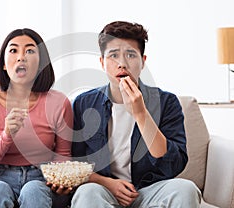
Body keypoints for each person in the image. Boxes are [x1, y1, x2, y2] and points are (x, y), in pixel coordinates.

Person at [71, 21, 201, 207]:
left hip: (150, 190)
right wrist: (108, 183)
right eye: (113, 55)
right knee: (87, 192)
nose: (122, 64)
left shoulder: (167, 102)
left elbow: (173, 165)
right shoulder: (83, 104)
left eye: (131, 55)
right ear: (102, 62)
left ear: (143, 61)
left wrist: (140, 114)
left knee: (186, 189)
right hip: (105, 191)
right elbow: (75, 163)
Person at [0, 28, 73, 208]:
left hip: (41, 179)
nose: (21, 57)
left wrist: (62, 181)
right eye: (13, 50)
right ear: (3, 64)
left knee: (33, 190)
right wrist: (6, 135)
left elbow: (63, 156)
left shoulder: (59, 102)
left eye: (30, 51)